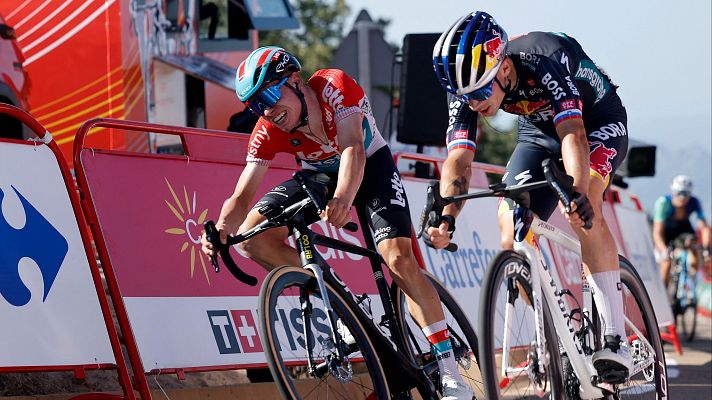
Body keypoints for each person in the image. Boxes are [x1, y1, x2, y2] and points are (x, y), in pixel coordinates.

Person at [201, 46, 473, 399]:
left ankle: (449, 368)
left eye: (269, 95)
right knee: (254, 239)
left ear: (294, 81)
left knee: (397, 258)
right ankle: (342, 300)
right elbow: (241, 195)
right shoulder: (267, 129)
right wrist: (221, 229)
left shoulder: (333, 86)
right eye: (256, 105)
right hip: (320, 177)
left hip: (370, 164)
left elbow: (353, 150)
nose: (267, 110)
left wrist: (343, 199)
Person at [427, 11, 632, 383]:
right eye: (465, 97)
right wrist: (447, 215)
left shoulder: (545, 57)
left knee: (585, 210)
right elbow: (458, 160)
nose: (473, 104)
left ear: (504, 69)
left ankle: (615, 337)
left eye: (480, 93)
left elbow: (573, 134)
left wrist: (579, 193)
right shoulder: (467, 89)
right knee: (512, 227)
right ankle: (558, 333)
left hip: (596, 124)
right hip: (537, 134)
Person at [653, 175, 711, 287]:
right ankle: (664, 292)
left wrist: (706, 249)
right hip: (666, 231)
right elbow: (657, 233)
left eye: (686, 194)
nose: (683, 198)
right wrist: (664, 250)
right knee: (666, 262)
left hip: (683, 229)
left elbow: (704, 227)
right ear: (673, 192)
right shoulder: (663, 203)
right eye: (679, 193)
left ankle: (692, 280)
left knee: (693, 244)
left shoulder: (694, 202)